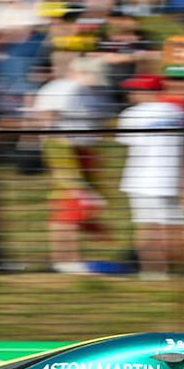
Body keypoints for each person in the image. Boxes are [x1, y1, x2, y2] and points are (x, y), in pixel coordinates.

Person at [32, 54, 115, 275]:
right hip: (64, 149)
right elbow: (47, 118)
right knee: (71, 203)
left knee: (84, 203)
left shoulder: (88, 90)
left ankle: (72, 256)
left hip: (83, 150)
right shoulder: (64, 88)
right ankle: (65, 260)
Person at [116, 73, 184, 280]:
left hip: (141, 179)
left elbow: (128, 143)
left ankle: (153, 271)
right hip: (171, 178)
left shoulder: (131, 114)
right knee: (170, 226)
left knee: (147, 226)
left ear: (144, 92)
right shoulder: (177, 111)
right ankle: (175, 269)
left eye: (134, 90)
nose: (130, 94)